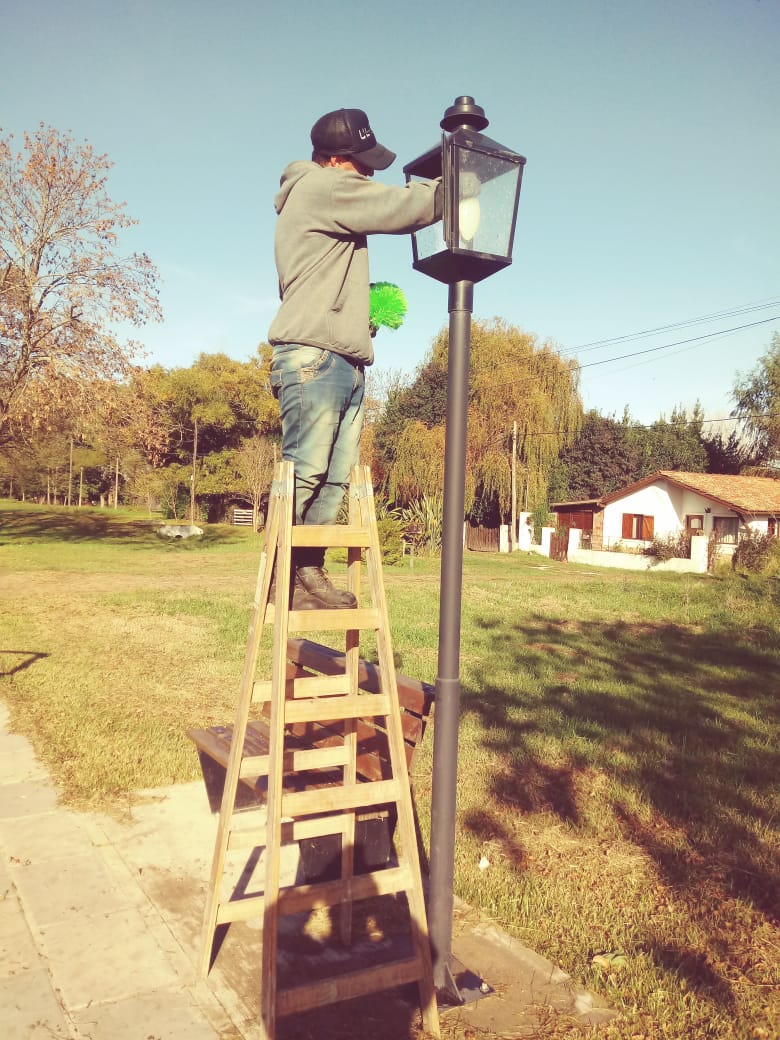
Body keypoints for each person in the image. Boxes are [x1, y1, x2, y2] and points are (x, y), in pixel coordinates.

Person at [268, 108, 442, 608]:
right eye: (364, 164)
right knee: (304, 473)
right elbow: (399, 208)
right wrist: (458, 181)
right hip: (314, 358)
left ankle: (306, 579)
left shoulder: (323, 195)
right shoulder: (322, 186)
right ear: (339, 160)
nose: (369, 174)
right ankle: (277, 577)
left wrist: (359, 313)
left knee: (333, 476)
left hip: (340, 356)